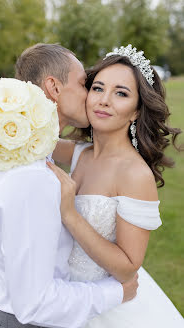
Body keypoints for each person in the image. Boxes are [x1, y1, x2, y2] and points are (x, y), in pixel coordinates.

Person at [0, 44, 138, 328]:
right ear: (53, 87)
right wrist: (115, 293)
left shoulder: (18, 148)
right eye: (83, 84)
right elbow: (35, 304)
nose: (91, 95)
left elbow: (79, 151)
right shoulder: (32, 177)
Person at [48, 45, 184, 327]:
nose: (104, 101)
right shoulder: (79, 153)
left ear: (136, 111)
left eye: (121, 93)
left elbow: (126, 269)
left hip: (111, 308)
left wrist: (70, 215)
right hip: (70, 297)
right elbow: (32, 139)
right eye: (97, 88)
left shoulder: (134, 174)